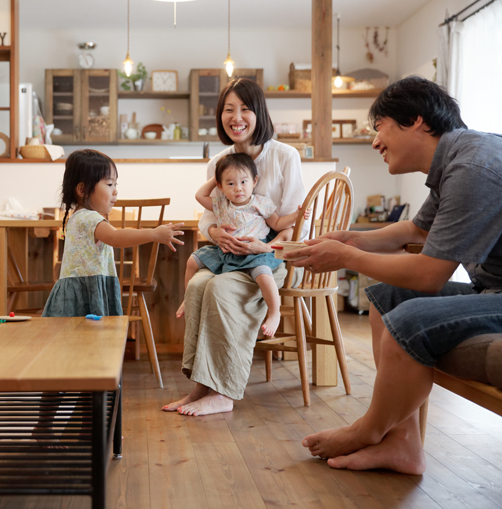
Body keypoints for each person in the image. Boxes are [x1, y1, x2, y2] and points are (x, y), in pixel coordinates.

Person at [285, 76, 502, 474]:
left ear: (415, 120)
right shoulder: (457, 160)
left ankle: (369, 430)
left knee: (408, 316)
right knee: (385, 299)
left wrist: (346, 256)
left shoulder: (473, 166)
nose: (374, 141)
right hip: (492, 291)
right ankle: (403, 443)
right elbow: (417, 231)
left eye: (379, 127)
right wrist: (353, 238)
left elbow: (428, 275)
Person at [163, 78, 306, 416]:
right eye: (229, 109)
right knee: (198, 285)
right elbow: (205, 216)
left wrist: (266, 247)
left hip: (267, 262)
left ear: (259, 113)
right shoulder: (220, 163)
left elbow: (294, 223)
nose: (236, 117)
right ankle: (201, 386)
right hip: (228, 256)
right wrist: (215, 232)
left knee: (220, 289)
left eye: (245, 108)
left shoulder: (285, 156)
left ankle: (224, 392)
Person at [176, 152, 309, 338]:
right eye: (231, 183)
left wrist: (297, 215)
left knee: (263, 275)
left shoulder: (260, 203)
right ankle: (187, 298)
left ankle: (274, 312)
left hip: (255, 251)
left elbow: (278, 224)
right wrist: (217, 177)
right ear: (220, 186)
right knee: (192, 260)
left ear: (254, 181)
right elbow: (199, 195)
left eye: (243, 182)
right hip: (227, 250)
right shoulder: (221, 203)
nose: (238, 188)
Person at [42, 148, 184, 317]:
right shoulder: (88, 218)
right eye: (109, 184)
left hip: (85, 287)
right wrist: (153, 234)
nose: (115, 191)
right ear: (82, 190)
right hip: (85, 291)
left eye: (115, 185)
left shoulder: (79, 217)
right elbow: (115, 237)